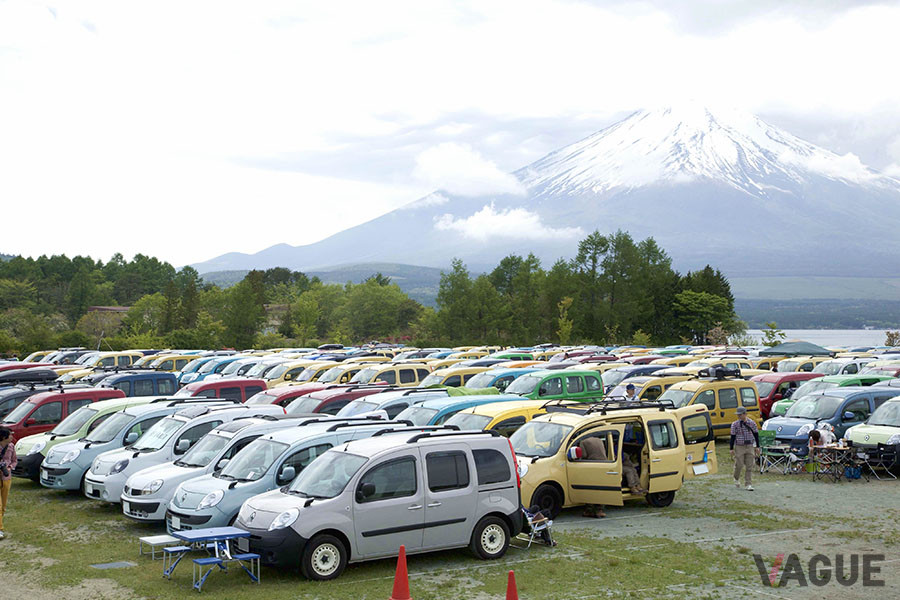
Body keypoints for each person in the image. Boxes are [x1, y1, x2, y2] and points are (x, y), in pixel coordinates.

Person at [730, 406, 760, 491]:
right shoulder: (735, 424)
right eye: (738, 415)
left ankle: (748, 483)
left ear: (745, 414)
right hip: (739, 445)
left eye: (740, 415)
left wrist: (757, 446)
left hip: (749, 445)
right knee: (739, 464)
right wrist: (731, 448)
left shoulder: (752, 423)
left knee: (749, 465)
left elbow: (756, 434)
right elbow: (732, 436)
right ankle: (736, 477)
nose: (739, 416)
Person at [578, 437, 608, 518]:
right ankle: (600, 510)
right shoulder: (599, 440)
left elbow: (583, 455)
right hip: (604, 464)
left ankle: (589, 510)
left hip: (592, 465)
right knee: (600, 488)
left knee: (590, 488)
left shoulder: (583, 442)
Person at [0, 426, 16, 540]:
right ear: (3, 437)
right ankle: (0, 528)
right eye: (10, 434)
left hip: (6, 478)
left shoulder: (11, 446)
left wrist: (9, 467)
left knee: (3, 505)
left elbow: (14, 460)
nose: (12, 436)